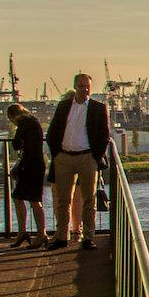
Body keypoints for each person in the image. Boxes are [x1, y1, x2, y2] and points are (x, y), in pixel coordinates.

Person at [46, 72, 110, 250]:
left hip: (87, 158)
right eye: (82, 85)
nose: (85, 89)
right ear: (75, 87)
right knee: (63, 200)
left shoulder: (98, 108)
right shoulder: (64, 106)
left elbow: (104, 135)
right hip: (64, 158)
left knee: (89, 200)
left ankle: (88, 238)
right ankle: (61, 237)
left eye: (88, 85)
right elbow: (53, 132)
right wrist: (57, 154)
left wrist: (94, 157)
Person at [6, 102, 49, 247]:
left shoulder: (23, 123)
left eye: (11, 120)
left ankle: (36, 233)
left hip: (29, 166)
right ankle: (33, 232)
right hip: (37, 164)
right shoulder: (34, 121)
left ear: (14, 116)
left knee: (27, 199)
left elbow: (16, 144)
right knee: (31, 199)